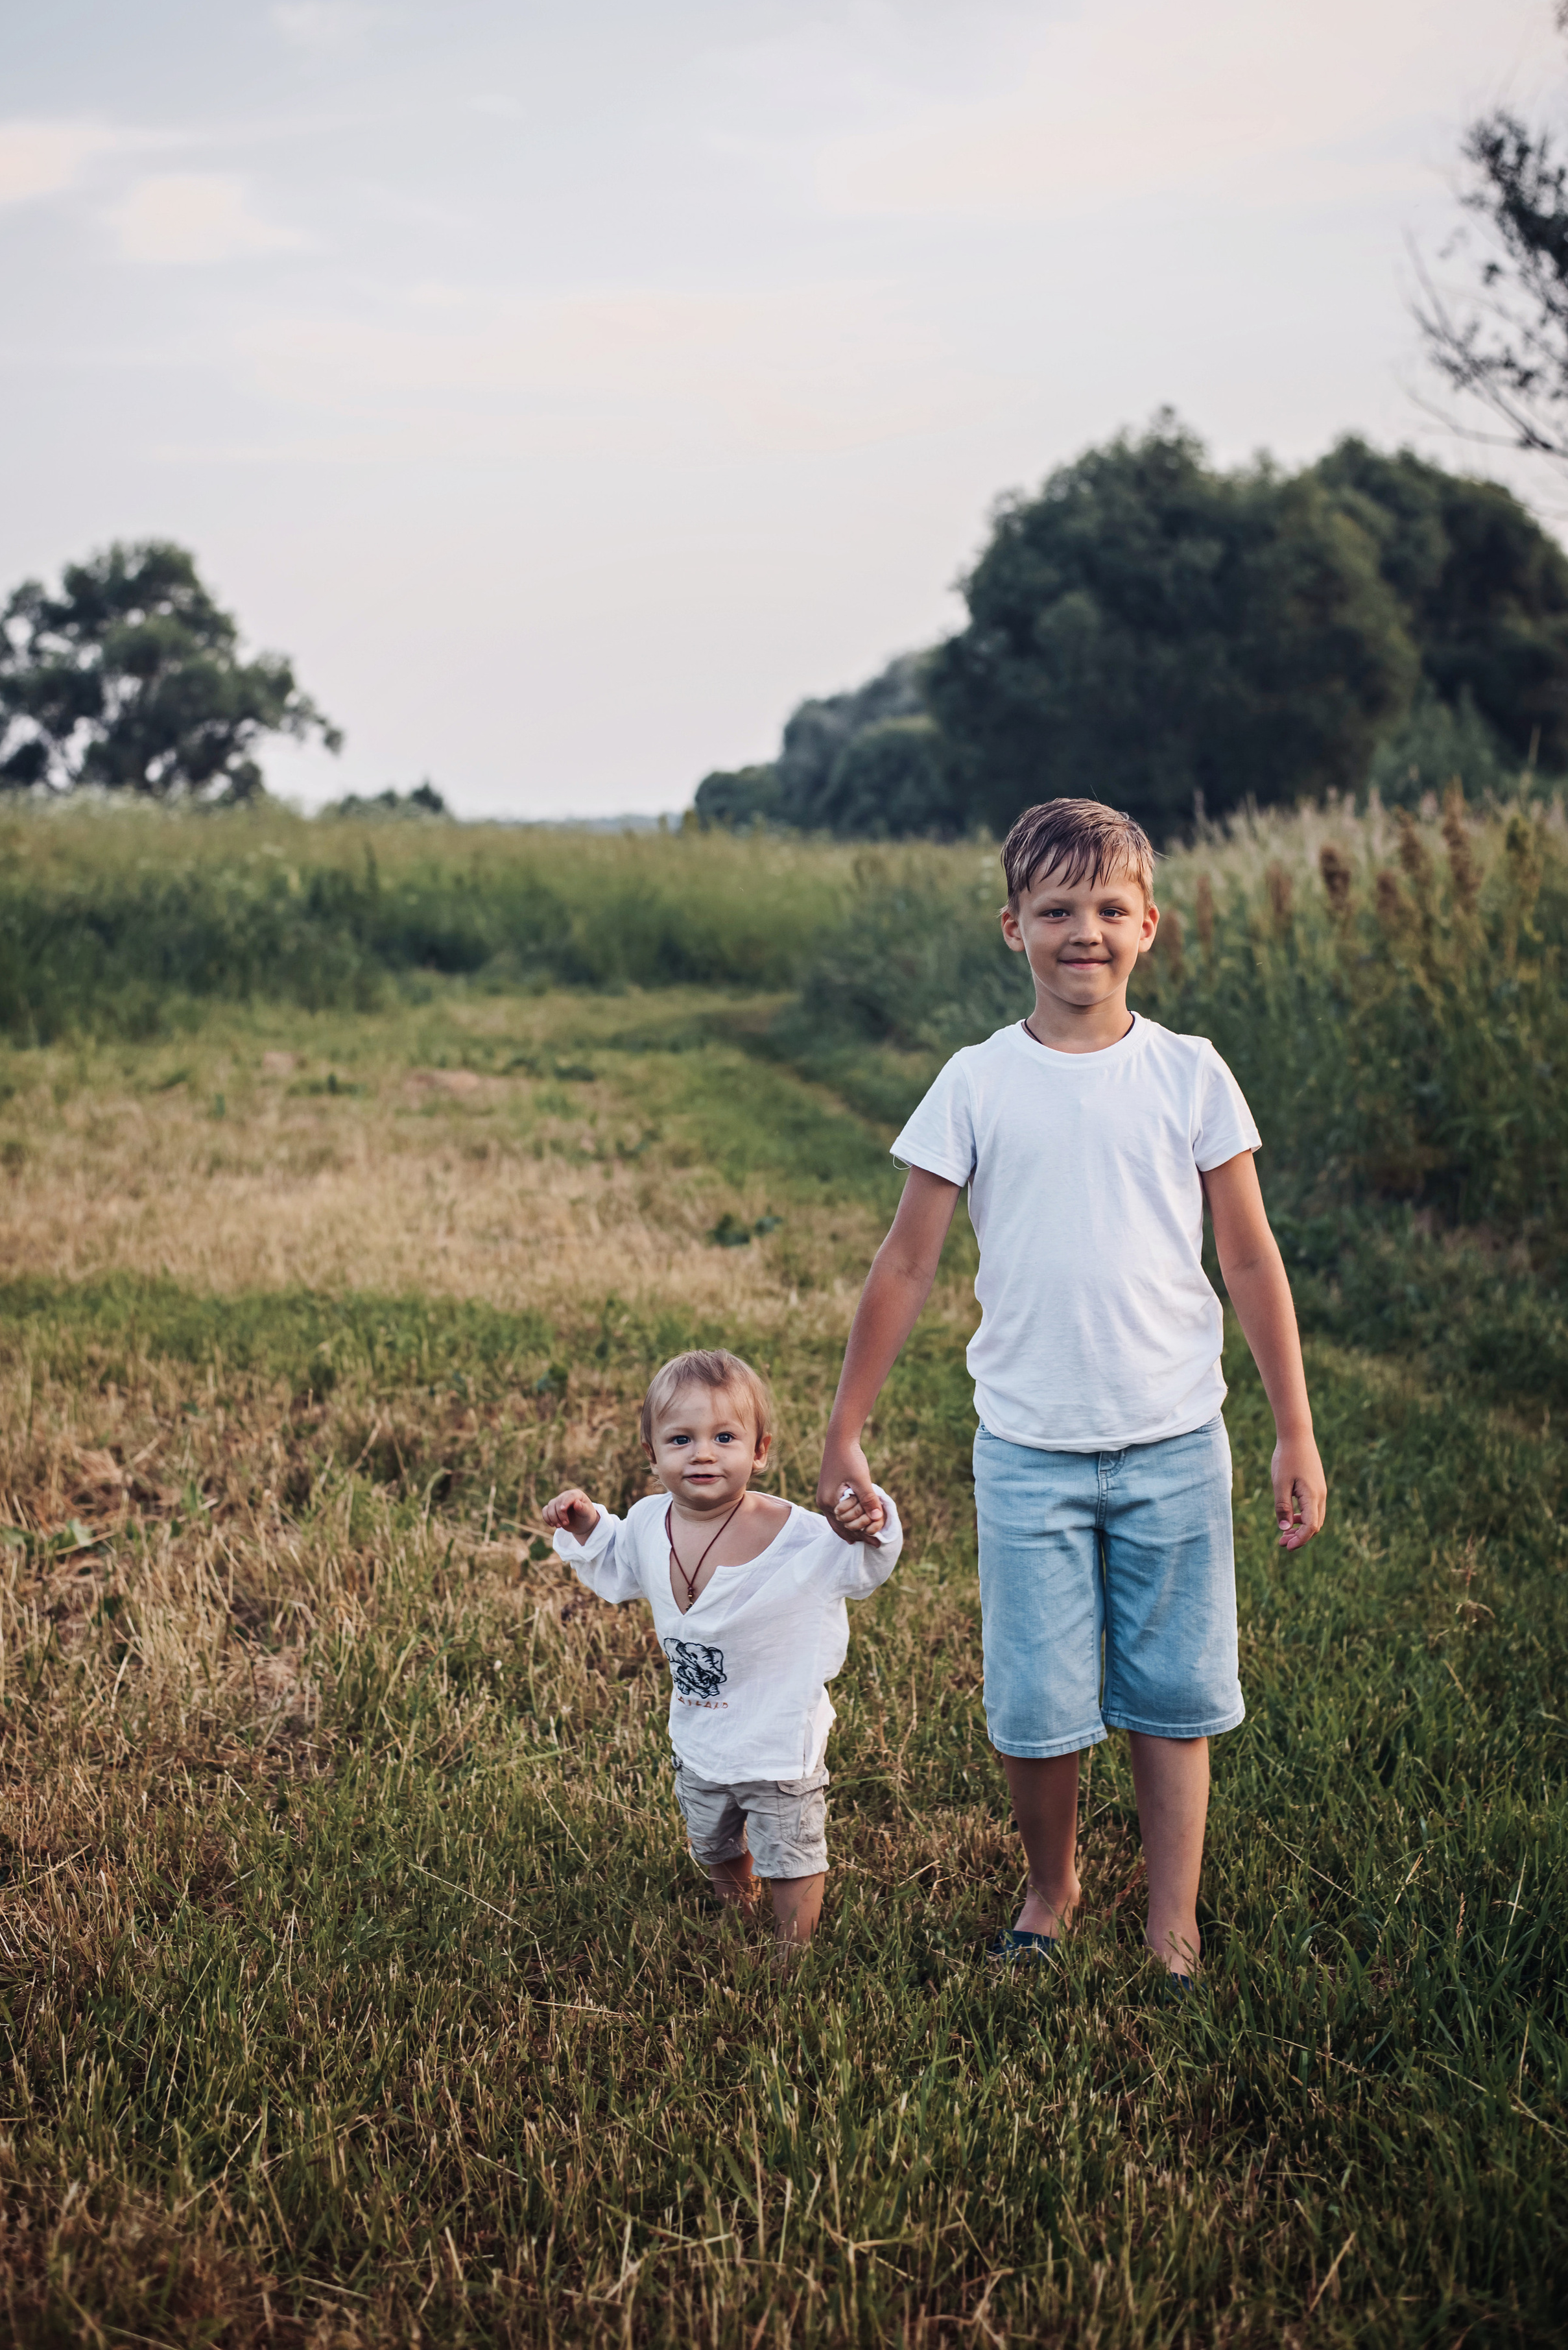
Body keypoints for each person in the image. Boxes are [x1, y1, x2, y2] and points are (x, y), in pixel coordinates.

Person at [816, 797, 1326, 1984]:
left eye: (1107, 907)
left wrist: (1293, 1428)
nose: (1082, 930)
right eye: (1055, 910)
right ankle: (1051, 1885)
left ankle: (1172, 1921)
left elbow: (1250, 1258)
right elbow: (907, 1262)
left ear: (1149, 923)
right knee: (1036, 1704)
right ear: (1014, 927)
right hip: (1029, 1450)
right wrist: (845, 1428)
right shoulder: (976, 1081)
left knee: (1174, 1694)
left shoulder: (1191, 1073)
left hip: (1174, 1441)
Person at [545, 1347, 902, 1960]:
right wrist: (586, 1525)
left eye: (725, 1437)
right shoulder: (650, 1521)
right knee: (713, 1840)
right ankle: (734, 1912)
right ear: (651, 1454)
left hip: (777, 1739)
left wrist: (864, 1521)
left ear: (760, 1451)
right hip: (700, 1733)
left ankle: (792, 1952)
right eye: (681, 1439)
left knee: (789, 1852)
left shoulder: (800, 1537)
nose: (703, 1454)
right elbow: (619, 1559)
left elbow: (863, 1562)